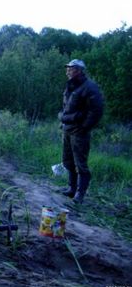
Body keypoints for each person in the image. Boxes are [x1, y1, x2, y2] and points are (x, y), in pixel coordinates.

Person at [58, 59, 104, 204]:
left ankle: (80, 194)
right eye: (67, 69)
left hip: (79, 132)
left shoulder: (89, 87)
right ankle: (71, 188)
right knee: (67, 160)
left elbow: (96, 111)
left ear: (78, 70)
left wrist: (84, 127)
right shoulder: (71, 85)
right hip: (67, 129)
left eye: (70, 69)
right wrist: (63, 120)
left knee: (81, 164)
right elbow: (67, 106)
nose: (67, 71)